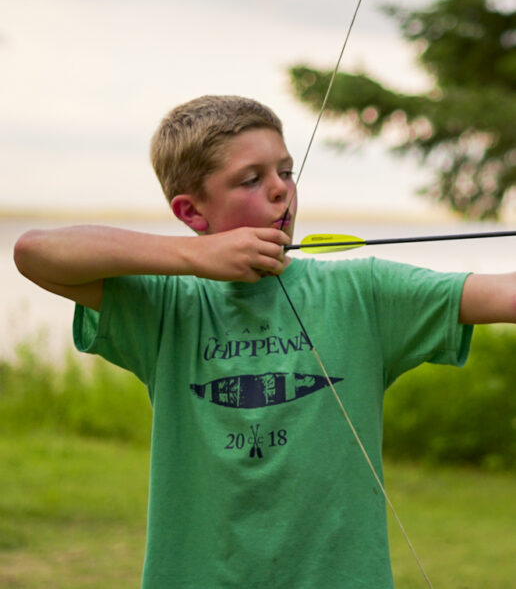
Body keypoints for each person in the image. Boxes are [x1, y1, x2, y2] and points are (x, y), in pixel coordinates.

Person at [14, 95, 516, 588]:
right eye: (252, 180)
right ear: (191, 212)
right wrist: (197, 258)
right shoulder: (168, 305)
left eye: (286, 172)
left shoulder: (363, 292)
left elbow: (502, 294)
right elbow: (35, 252)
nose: (281, 191)